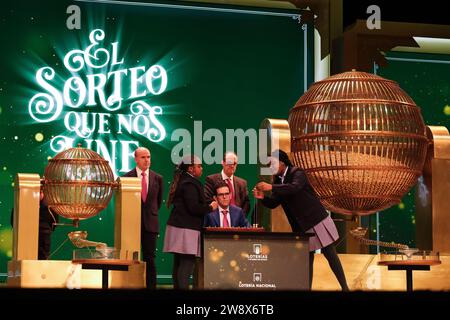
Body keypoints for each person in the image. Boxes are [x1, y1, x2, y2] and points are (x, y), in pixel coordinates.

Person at [253, 149, 349, 291]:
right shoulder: (279, 181)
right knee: (307, 260)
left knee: (329, 253)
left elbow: (294, 188)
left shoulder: (297, 172)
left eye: (272, 163)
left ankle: (345, 288)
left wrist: (271, 187)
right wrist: (262, 198)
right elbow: (274, 203)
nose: (270, 167)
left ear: (282, 162)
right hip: (301, 225)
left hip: (316, 220)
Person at [163, 155, 217, 289]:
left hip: (179, 227)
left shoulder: (185, 181)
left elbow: (191, 203)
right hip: (186, 229)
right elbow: (193, 207)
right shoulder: (190, 183)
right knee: (187, 263)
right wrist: (211, 207)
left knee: (179, 262)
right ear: (191, 169)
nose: (201, 169)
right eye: (199, 166)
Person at [123, 147, 163, 289]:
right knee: (129, 258)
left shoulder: (158, 178)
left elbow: (157, 203)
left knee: (150, 258)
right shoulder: (127, 178)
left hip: (150, 225)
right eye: (143, 157)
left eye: (148, 157)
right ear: (136, 159)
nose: (147, 160)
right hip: (132, 224)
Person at [10, 190, 58, 260]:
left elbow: (54, 221)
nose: (37, 195)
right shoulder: (21, 205)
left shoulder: (49, 207)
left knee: (43, 257)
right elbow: (14, 221)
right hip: (26, 236)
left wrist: (46, 230)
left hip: (43, 236)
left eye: (40, 192)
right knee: (25, 257)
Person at [204, 151, 250, 216]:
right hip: (218, 220)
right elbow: (208, 199)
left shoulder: (242, 183)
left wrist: (240, 217)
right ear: (222, 163)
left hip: (237, 222)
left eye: (234, 163)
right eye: (229, 163)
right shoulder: (211, 180)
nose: (232, 166)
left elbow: (246, 203)